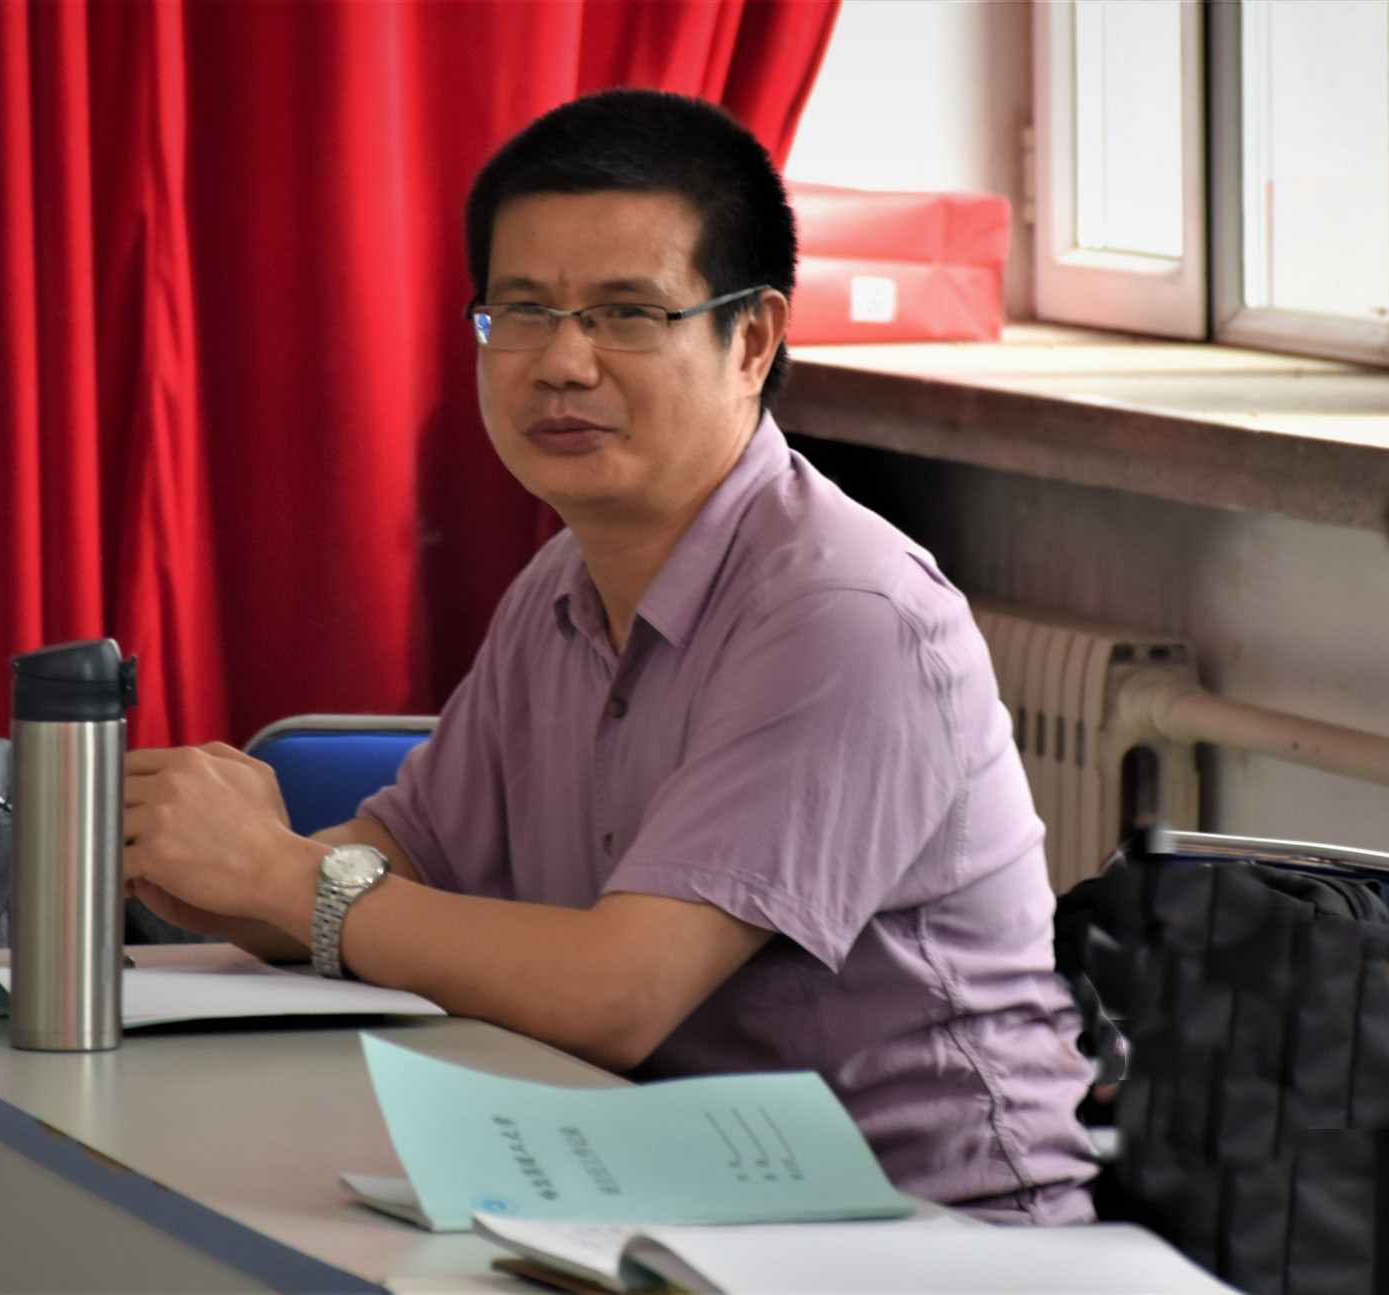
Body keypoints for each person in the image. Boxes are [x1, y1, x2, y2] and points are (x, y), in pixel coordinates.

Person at [124, 88, 1097, 1223]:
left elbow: (618, 993)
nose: (560, 362)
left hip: (922, 1235)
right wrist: (202, 860)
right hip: (643, 1192)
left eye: (626, 314)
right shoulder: (561, 581)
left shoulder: (845, 613)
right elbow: (399, 863)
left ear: (752, 340)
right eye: (521, 311)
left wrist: (282, 879)